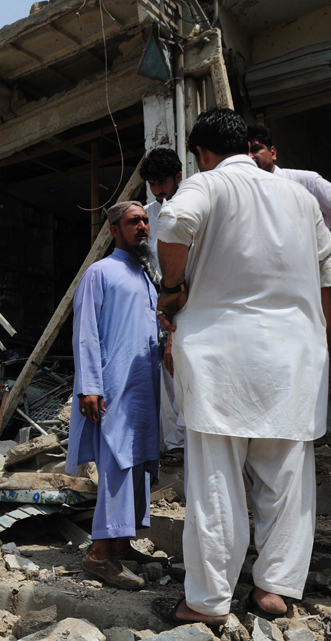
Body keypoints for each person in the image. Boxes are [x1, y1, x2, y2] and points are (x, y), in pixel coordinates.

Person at [152, 108, 331, 625]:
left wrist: (171, 289)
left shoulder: (209, 184)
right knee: (286, 478)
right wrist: (318, 342)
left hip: (223, 355)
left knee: (216, 479)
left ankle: (208, 602)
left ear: (203, 153)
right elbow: (328, 275)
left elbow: (173, 222)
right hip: (294, 356)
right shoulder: (301, 198)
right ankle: (274, 589)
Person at [248, 124, 331, 478]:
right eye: (246, 151)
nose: (252, 155)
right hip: (278, 290)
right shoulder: (248, 192)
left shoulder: (305, 181)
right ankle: (298, 436)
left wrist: (324, 258)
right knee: (284, 359)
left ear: (273, 152)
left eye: (258, 148)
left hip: (327, 283)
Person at [66, 201, 161, 590]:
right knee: (118, 463)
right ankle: (100, 555)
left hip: (143, 387)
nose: (141, 227)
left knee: (136, 462)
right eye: (132, 222)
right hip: (113, 386)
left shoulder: (147, 276)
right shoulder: (99, 272)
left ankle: (121, 543)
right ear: (114, 231)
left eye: (144, 221)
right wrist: (89, 385)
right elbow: (85, 331)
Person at [140, 147, 186, 467]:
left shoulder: (194, 206)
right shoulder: (147, 215)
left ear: (179, 177)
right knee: (165, 373)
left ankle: (194, 438)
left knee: (189, 370)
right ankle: (175, 443)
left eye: (163, 182)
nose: (159, 191)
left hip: (192, 297)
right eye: (153, 184)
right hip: (161, 303)